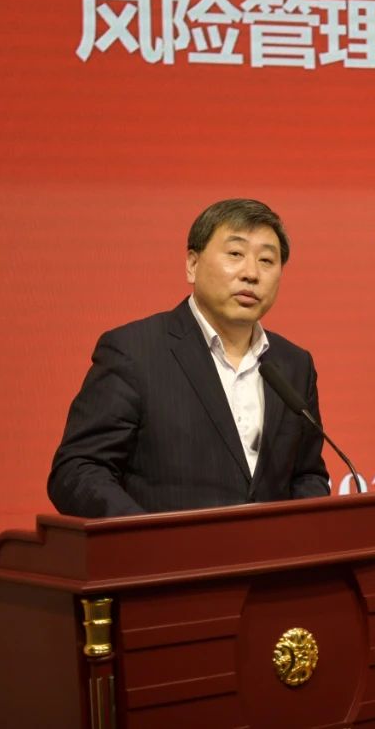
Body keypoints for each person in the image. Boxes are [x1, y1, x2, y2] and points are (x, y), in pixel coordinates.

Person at [47, 198, 330, 517]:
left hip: (272, 550)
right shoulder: (135, 351)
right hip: (162, 549)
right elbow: (78, 468)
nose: (251, 273)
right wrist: (145, 533)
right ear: (192, 265)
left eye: (266, 260)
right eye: (235, 254)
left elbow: (307, 475)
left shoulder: (294, 365)